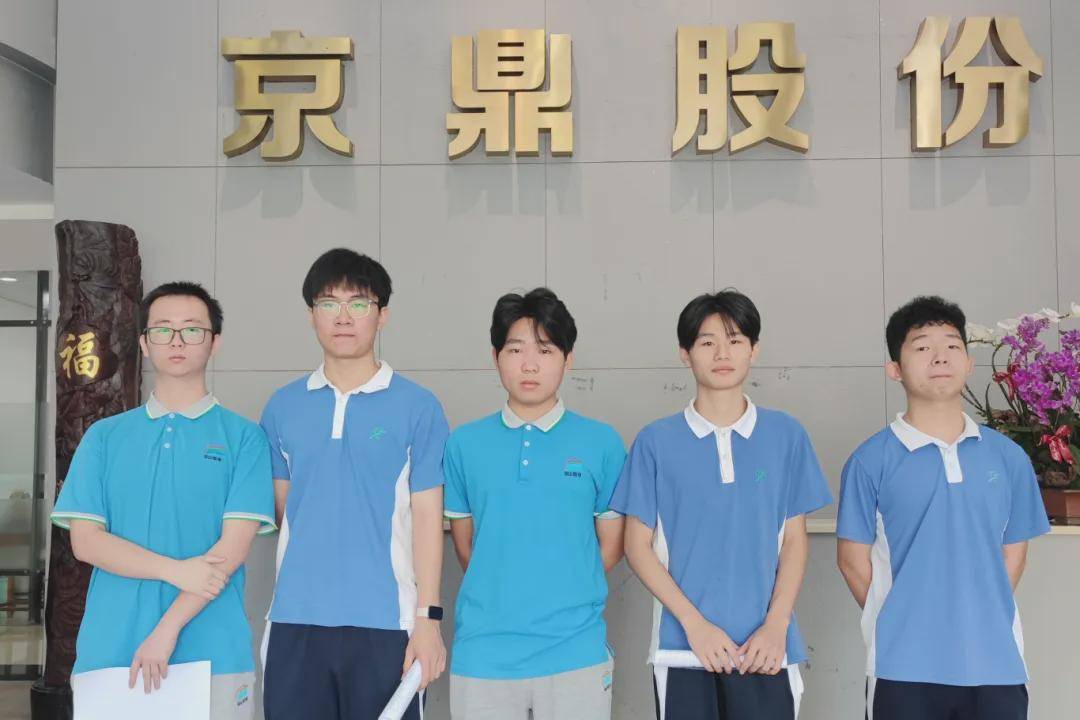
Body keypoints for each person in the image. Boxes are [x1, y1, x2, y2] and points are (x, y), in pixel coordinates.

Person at [52, 281, 276, 719]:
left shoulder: (245, 438)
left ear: (214, 342)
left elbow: (230, 552)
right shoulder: (104, 437)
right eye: (162, 329)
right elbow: (86, 542)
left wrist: (167, 629)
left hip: (213, 650)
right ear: (144, 342)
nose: (176, 341)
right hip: (111, 650)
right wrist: (176, 570)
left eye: (192, 329)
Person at [612, 290, 832, 720]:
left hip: (767, 650)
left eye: (734, 340)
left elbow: (793, 541)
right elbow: (637, 546)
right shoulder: (655, 441)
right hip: (683, 649)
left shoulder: (786, 435)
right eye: (707, 342)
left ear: (754, 349)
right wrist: (694, 625)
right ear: (685, 354)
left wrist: (776, 625)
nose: (722, 353)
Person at [836, 296, 1051, 720]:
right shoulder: (870, 460)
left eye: (952, 345)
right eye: (922, 347)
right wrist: (904, 617)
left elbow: (1014, 552)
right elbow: (852, 561)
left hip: (997, 665)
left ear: (969, 363)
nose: (940, 356)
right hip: (902, 667)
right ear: (895, 369)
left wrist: (975, 613)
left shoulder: (1008, 457)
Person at [260, 248, 449, 720]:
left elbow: (427, 517)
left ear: (382, 315)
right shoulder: (282, 407)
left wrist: (428, 619)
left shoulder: (418, 406)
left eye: (359, 303)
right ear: (311, 315)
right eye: (329, 303)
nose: (343, 317)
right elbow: (284, 510)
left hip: (387, 622)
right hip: (294, 619)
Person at [444, 288, 626, 720]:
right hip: (483, 654)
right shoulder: (463, 444)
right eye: (515, 349)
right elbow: (467, 548)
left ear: (568, 358)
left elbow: (613, 545)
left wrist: (562, 586)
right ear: (496, 357)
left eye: (545, 350)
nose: (529, 364)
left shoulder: (602, 442)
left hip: (575, 652)